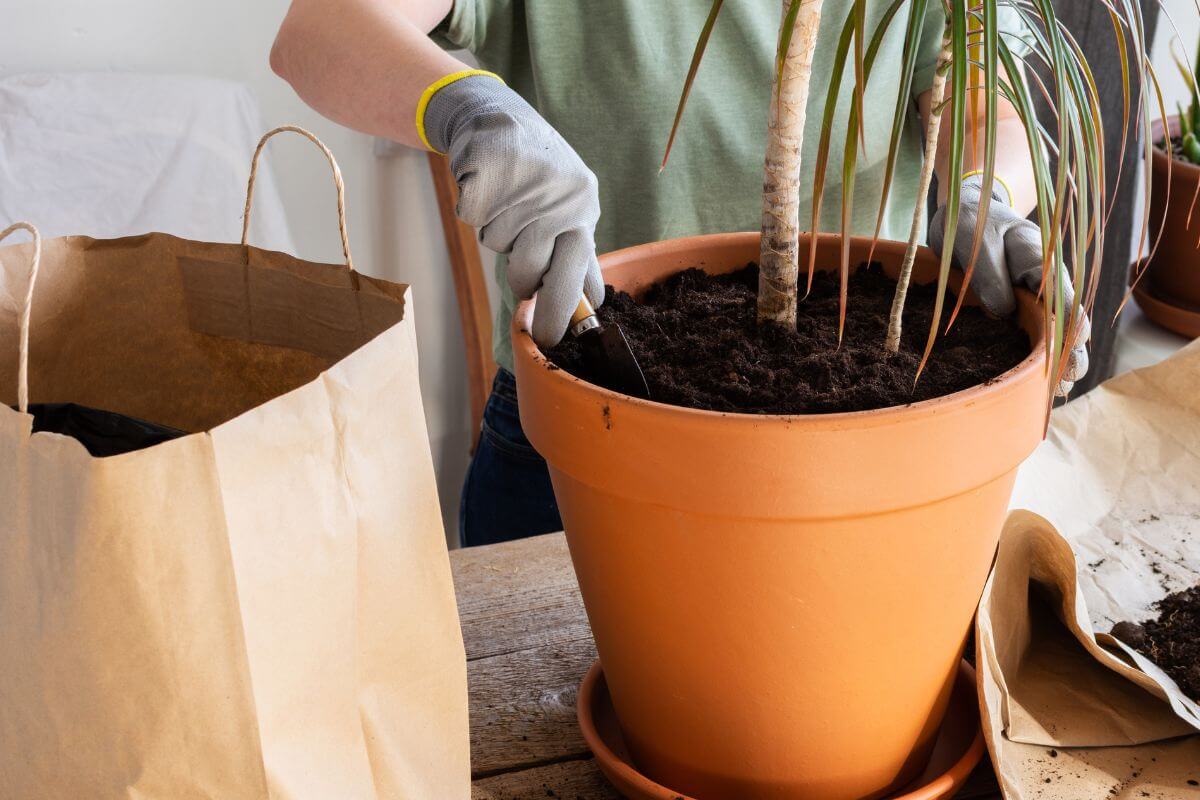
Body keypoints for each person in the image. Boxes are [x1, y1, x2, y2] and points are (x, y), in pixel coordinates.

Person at [270, 0, 1089, 547]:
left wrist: (990, 188)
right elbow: (321, 26)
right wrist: (470, 107)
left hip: (882, 431)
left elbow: (981, 94)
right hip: (584, 409)